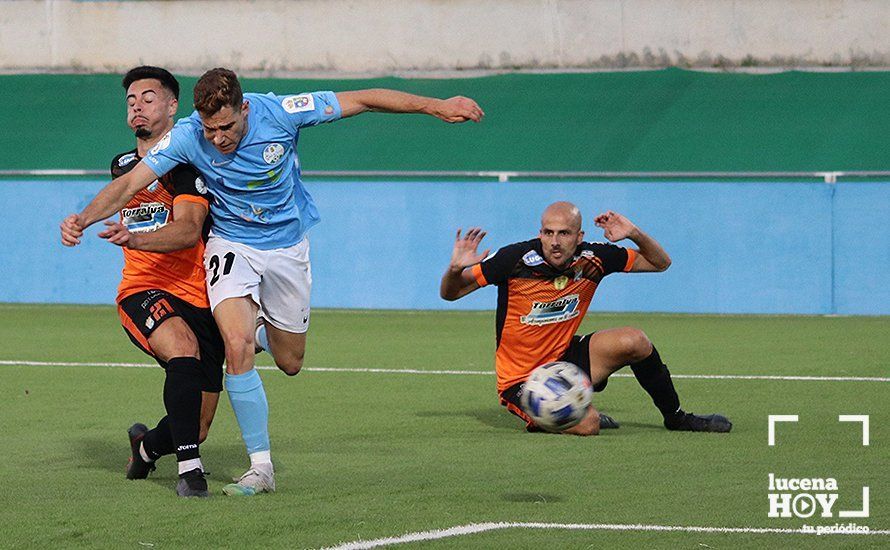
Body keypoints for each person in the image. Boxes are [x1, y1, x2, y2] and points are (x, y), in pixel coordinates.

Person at [60, 67, 484, 495]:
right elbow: (131, 182)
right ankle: (260, 468)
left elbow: (363, 98)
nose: (218, 139)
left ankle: (262, 334)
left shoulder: (281, 112)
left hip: (286, 248)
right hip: (231, 246)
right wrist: (82, 218)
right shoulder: (187, 135)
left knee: (290, 362)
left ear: (243, 109)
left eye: (226, 127)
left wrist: (436, 106)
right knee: (236, 346)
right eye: (210, 129)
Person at [61, 66, 224, 496]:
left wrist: (135, 236)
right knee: (182, 348)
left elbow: (190, 230)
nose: (137, 107)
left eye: (148, 98)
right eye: (131, 101)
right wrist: (80, 220)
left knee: (199, 424)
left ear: (173, 106)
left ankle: (147, 448)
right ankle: (190, 472)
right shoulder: (123, 165)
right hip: (142, 290)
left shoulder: (187, 166)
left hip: (198, 294)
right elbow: (120, 194)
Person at [440, 201, 732, 436]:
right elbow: (450, 294)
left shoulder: (593, 259)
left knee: (635, 341)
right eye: (548, 232)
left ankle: (676, 418)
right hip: (523, 380)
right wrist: (454, 270)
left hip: (565, 357)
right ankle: (563, 411)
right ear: (540, 233)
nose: (554, 242)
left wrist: (634, 233)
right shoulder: (513, 260)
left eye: (564, 233)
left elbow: (661, 263)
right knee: (589, 424)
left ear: (579, 237)